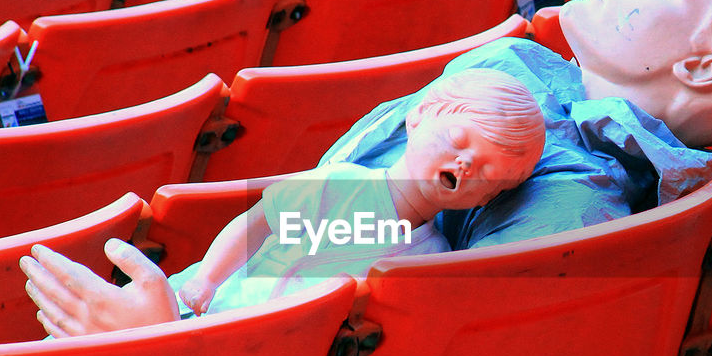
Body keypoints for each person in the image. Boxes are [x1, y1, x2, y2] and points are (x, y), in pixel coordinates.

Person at [21, 0, 712, 336]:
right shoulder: (542, 94)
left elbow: (393, 353)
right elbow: (307, 222)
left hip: (212, 355)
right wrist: (195, 291)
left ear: (701, 68)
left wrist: (168, 338)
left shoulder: (568, 202)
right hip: (221, 301)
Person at [172, 67, 544, 318]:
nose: (466, 164)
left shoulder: (431, 260)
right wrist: (206, 279)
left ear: (485, 200)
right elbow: (256, 224)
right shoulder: (339, 183)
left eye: (487, 173)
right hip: (217, 308)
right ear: (416, 118)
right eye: (457, 139)